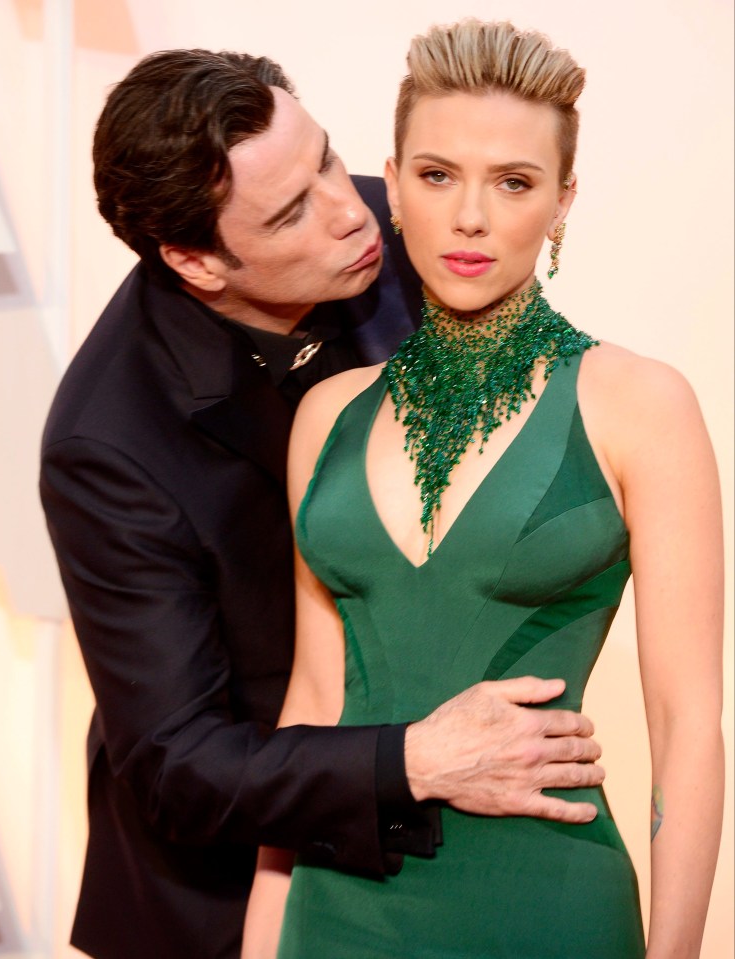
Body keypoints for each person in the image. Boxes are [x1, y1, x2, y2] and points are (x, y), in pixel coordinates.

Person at [40, 48, 608, 959]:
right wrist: (416, 758)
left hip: (454, 838)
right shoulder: (107, 443)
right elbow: (178, 766)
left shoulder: (400, 227)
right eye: (294, 209)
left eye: (327, 160)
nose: (353, 211)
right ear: (196, 259)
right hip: (217, 897)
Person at [243, 19, 725, 959]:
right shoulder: (327, 415)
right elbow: (313, 703)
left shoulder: (641, 403)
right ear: (393, 184)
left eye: (514, 181)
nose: (470, 216)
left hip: (545, 906)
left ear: (562, 201)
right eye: (436, 175)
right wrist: (265, 937)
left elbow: (686, 723)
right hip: (337, 910)